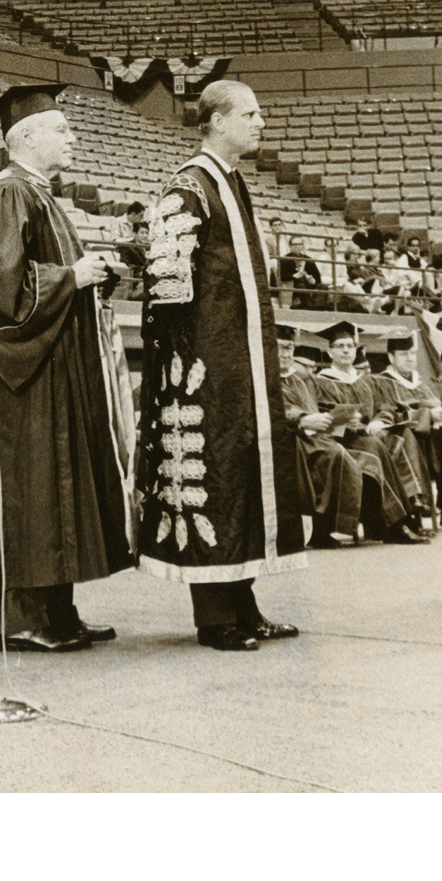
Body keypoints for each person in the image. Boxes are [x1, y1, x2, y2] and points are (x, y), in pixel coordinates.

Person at [136, 79, 306, 651]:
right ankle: (214, 618)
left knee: (243, 475)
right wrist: (187, 371)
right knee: (213, 474)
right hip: (206, 366)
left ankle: (244, 603)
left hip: (244, 362)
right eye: (252, 114)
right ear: (215, 120)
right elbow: (165, 290)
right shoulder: (188, 186)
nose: (261, 122)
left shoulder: (232, 183)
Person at [0, 85, 132, 652]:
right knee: (32, 490)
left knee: (56, 490)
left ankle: (58, 612)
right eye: (62, 129)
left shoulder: (39, 194)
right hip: (25, 379)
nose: (73, 137)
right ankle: (25, 619)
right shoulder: (9, 193)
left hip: (53, 368)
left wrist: (90, 273)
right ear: (27, 136)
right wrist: (70, 278)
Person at [309, 320, 430, 544]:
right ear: (330, 351)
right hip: (341, 442)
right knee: (374, 447)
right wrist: (347, 422)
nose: (346, 350)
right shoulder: (320, 381)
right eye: (340, 346)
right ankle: (395, 524)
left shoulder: (367, 381)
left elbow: (386, 408)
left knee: (396, 440)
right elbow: (320, 416)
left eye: (350, 346)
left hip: (369, 437)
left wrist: (378, 421)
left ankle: (392, 521)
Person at [278, 334, 382, 550]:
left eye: (288, 348)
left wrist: (333, 420)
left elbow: (316, 410)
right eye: (279, 348)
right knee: (335, 454)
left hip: (315, 437)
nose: (284, 354)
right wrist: (302, 419)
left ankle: (330, 527)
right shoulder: (268, 379)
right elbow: (279, 408)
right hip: (288, 438)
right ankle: (322, 529)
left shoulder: (302, 379)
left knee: (356, 454)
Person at [373, 333, 442, 515]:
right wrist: (427, 414)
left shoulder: (420, 382)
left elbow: (437, 403)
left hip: (431, 434)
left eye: (412, 353)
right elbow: (391, 414)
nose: (410, 358)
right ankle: (423, 498)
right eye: (404, 354)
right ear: (391, 357)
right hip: (408, 436)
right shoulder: (381, 382)